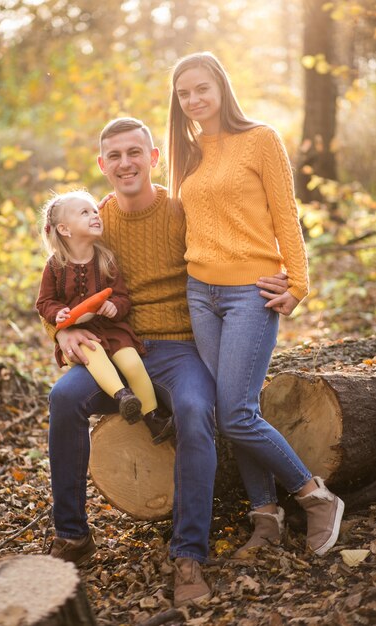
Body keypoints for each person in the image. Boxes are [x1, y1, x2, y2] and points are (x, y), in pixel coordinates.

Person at [40, 117, 291, 607]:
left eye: (135, 152)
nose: (125, 163)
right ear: (102, 165)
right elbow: (60, 283)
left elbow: (240, 241)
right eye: (114, 155)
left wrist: (278, 275)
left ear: (153, 158)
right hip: (113, 347)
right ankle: (73, 535)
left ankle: (189, 553)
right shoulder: (95, 219)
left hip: (178, 348)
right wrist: (64, 326)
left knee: (198, 411)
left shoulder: (183, 210)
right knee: (63, 398)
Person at [166, 51, 344, 561]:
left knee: (237, 413)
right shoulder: (189, 152)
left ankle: (315, 497)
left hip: (251, 293)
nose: (194, 99)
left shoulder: (260, 139)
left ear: (221, 87)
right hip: (200, 293)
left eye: (202, 88)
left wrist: (299, 284)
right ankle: (265, 516)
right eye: (184, 94)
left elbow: (286, 215)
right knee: (229, 407)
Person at [36, 189, 173, 444]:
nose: (95, 216)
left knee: (132, 363)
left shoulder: (105, 259)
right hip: (80, 335)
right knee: (92, 352)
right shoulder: (55, 266)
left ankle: (154, 417)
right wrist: (58, 314)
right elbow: (44, 302)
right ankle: (123, 397)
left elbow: (122, 297)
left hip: (112, 329)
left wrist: (114, 307)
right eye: (85, 213)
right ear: (65, 230)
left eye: (95, 211)